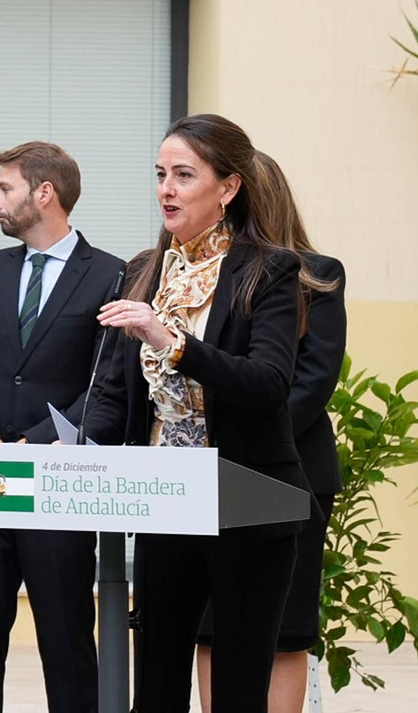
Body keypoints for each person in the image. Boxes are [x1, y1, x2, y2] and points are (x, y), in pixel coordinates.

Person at [81, 115, 312, 713]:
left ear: (228, 188)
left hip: (247, 499)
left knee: (236, 688)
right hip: (164, 495)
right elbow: (114, 392)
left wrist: (173, 341)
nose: (167, 189)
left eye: (184, 175)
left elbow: (267, 384)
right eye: (160, 175)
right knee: (155, 682)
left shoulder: (270, 269)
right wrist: (77, 448)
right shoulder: (146, 268)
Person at [0, 142, 127, 713]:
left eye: (5, 189)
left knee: (68, 642)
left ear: (44, 194)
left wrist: (38, 443)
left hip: (61, 484)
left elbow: (106, 386)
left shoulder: (113, 275)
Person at [196, 152, 345, 713]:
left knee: (285, 629)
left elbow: (311, 384)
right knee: (209, 625)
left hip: (289, 474)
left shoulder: (317, 274)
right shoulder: (201, 271)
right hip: (207, 476)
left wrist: (242, 439)